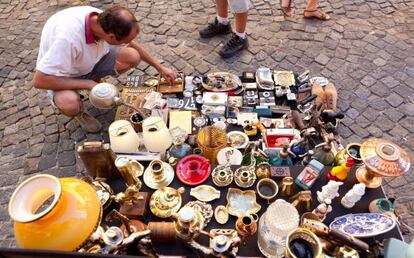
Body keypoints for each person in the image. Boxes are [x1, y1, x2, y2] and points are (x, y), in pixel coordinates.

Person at [32, 5, 176, 133]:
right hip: (64, 76)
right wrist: (88, 85)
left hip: (90, 62)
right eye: (123, 42)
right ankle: (79, 112)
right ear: (111, 36)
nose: (127, 43)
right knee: (69, 103)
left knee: (132, 56)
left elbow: (132, 45)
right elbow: (39, 81)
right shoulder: (66, 40)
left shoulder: (103, 19)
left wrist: (160, 67)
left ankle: (95, 79)